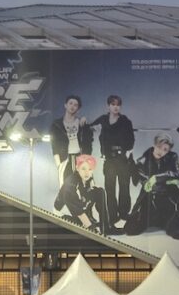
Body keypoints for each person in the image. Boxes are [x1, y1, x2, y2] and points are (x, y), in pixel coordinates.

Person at [124, 133, 179, 240]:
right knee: (130, 229)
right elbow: (136, 173)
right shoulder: (145, 157)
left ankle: (168, 223)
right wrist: (145, 182)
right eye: (159, 147)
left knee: (177, 231)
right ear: (154, 145)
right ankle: (155, 220)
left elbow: (177, 174)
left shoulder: (173, 156)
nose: (161, 151)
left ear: (168, 151)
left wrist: (155, 178)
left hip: (167, 198)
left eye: (165, 150)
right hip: (149, 198)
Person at [89, 95, 136, 226]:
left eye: (118, 105)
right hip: (109, 159)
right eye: (113, 104)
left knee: (124, 186)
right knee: (109, 187)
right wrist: (83, 120)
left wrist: (127, 154)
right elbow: (90, 126)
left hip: (123, 158)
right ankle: (112, 214)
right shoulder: (103, 119)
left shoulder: (125, 121)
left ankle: (124, 212)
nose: (116, 107)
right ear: (108, 106)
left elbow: (131, 140)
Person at [57, 154, 116, 235]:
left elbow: (88, 197)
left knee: (99, 191)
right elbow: (78, 210)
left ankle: (106, 228)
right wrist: (92, 230)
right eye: (83, 169)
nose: (87, 172)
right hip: (64, 214)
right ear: (77, 168)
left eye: (90, 169)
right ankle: (84, 224)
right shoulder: (71, 183)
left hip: (79, 209)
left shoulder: (87, 179)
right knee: (83, 225)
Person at [50, 95, 93, 188]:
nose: (72, 106)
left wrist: (86, 160)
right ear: (65, 105)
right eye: (70, 103)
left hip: (80, 159)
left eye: (76, 105)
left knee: (84, 187)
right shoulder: (57, 124)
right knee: (66, 188)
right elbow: (54, 146)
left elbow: (88, 143)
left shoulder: (82, 123)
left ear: (78, 108)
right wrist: (59, 165)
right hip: (65, 159)